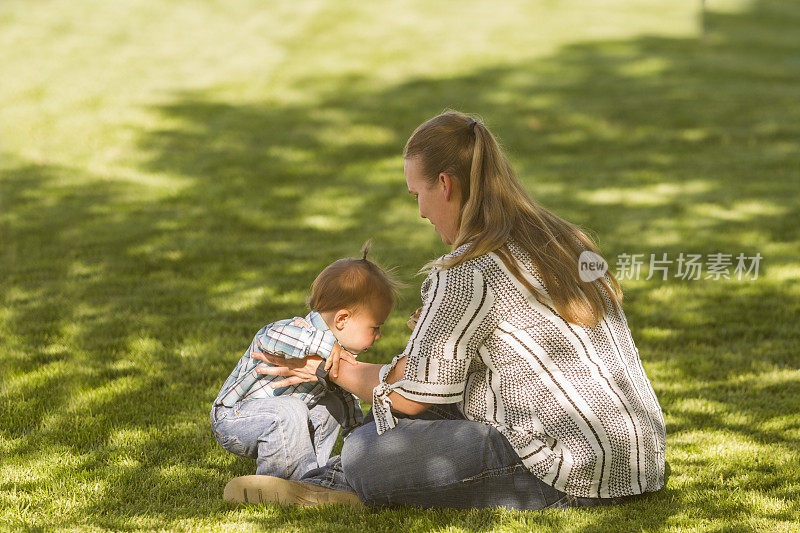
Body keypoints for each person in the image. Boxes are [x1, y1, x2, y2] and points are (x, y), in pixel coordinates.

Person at [222, 110, 667, 510]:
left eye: (417, 193)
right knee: (398, 419)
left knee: (366, 449)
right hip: (639, 458)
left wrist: (329, 368)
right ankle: (332, 485)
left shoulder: (466, 269)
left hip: (570, 470)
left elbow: (413, 397)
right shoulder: (563, 238)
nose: (419, 211)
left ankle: (335, 483)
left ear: (446, 185)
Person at [210, 242, 397, 494]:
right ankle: (279, 484)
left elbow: (347, 403)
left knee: (329, 405)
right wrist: (325, 347)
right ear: (342, 319)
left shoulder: (337, 360)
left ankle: (312, 480)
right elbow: (269, 336)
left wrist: (359, 436)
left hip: (285, 419)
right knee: (291, 408)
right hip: (237, 417)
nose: (378, 336)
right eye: (375, 327)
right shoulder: (298, 331)